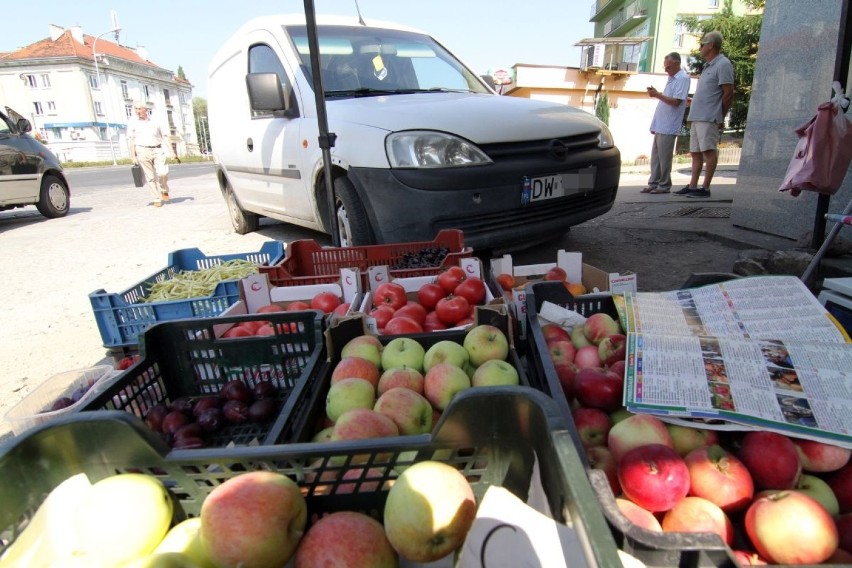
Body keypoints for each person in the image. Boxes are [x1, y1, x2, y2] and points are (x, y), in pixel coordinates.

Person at [675, 30, 734, 198]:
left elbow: (728, 93)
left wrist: (721, 115)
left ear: (711, 45)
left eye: (702, 44)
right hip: (697, 116)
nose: (700, 47)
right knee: (695, 152)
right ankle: (693, 186)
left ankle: (705, 188)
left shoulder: (723, 64)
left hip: (709, 117)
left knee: (709, 151)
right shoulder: (709, 65)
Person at [640, 52, 691, 194]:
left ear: (677, 64)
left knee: (664, 158)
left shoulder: (682, 78)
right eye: (665, 67)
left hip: (669, 125)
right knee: (656, 157)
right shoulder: (672, 78)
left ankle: (664, 185)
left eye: (668, 67)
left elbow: (676, 101)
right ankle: (654, 183)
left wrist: (657, 94)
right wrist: (654, 124)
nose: (666, 70)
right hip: (661, 124)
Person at [128, 100, 175, 207]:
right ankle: (156, 198)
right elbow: (131, 140)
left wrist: (172, 152)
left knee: (162, 173)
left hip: (157, 150)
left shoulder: (156, 121)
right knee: (150, 177)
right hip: (142, 150)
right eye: (135, 109)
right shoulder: (132, 122)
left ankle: (164, 189)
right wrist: (133, 156)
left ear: (146, 110)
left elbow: (165, 136)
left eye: (139, 109)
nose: (137, 111)